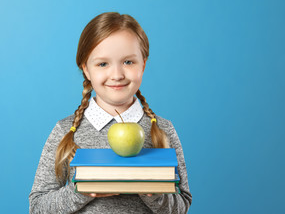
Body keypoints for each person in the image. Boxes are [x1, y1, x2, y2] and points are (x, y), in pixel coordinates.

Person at [29, 12, 192, 213]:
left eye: (128, 62)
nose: (117, 75)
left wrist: (153, 191)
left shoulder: (163, 129)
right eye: (103, 64)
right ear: (86, 70)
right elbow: (37, 207)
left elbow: (182, 205)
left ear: (144, 64)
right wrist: (83, 189)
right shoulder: (65, 130)